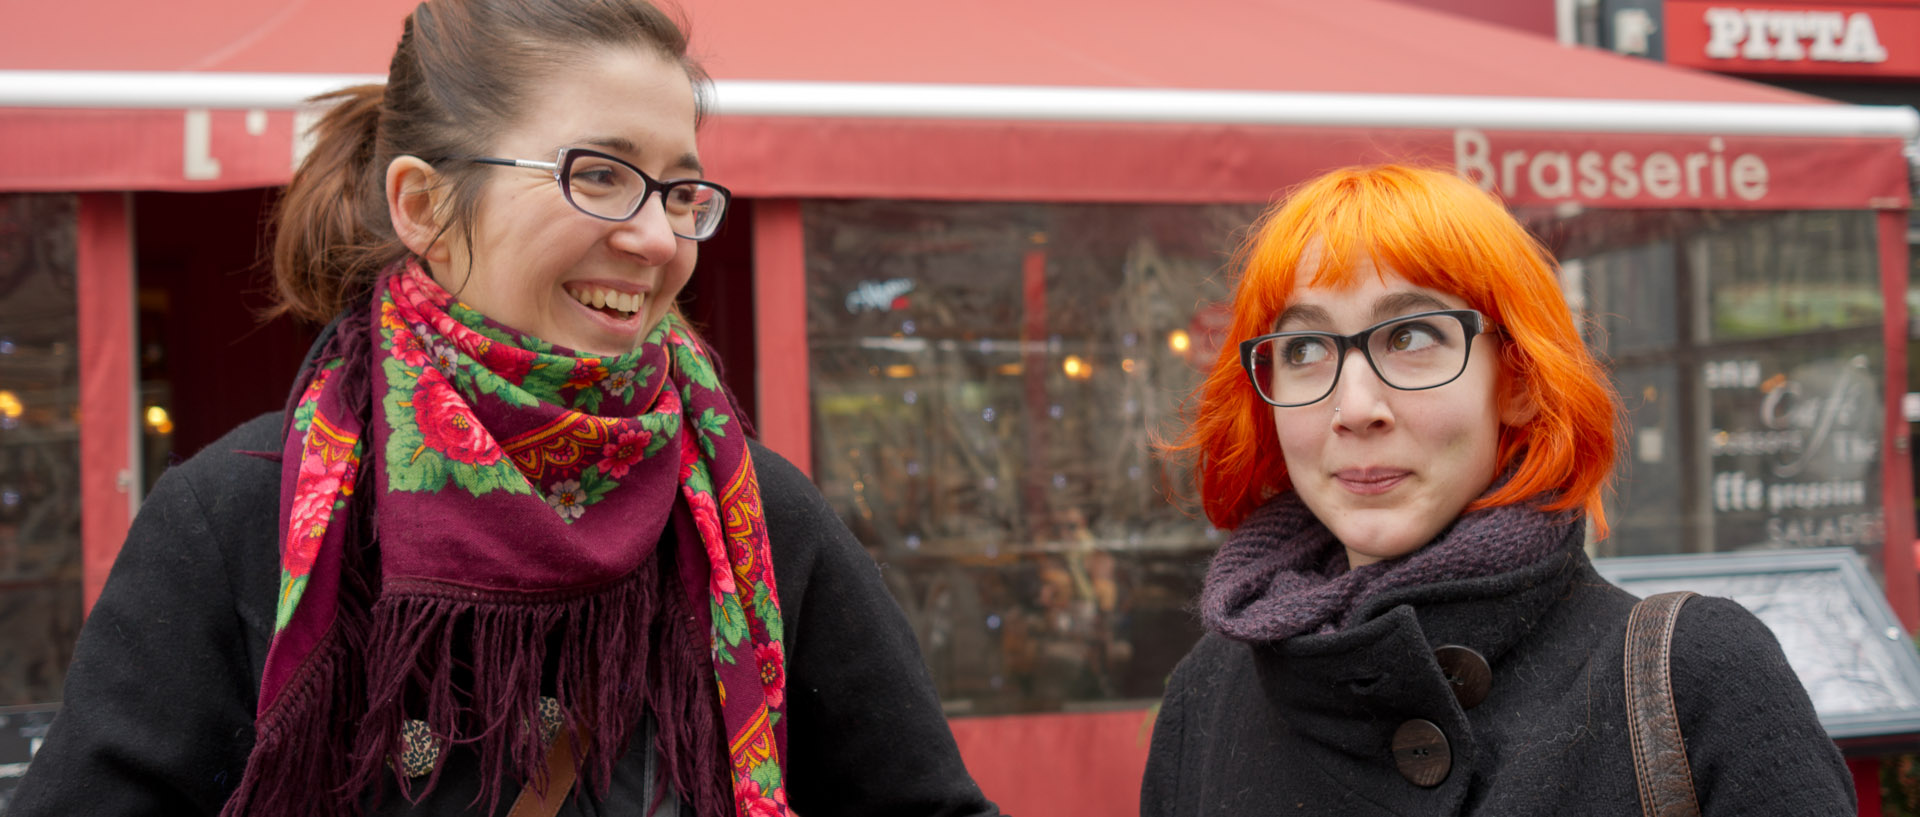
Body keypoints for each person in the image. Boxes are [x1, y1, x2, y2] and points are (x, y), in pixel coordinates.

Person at [10, 1, 1002, 815]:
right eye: (601, 176)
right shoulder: (236, 520)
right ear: (423, 205)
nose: (659, 239)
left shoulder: (755, 517)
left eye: (681, 189)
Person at [1140, 165, 1853, 816]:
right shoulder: (1207, 697)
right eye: (1303, 349)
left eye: (1412, 336)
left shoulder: (1696, 676)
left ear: (1514, 380)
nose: (1354, 406)